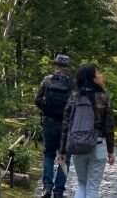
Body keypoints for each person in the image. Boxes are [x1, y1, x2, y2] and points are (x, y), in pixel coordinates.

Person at [58, 64, 116, 198]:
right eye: (99, 72)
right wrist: (111, 151)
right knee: (93, 187)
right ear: (93, 78)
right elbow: (109, 127)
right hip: (98, 144)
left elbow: (66, 125)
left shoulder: (74, 97)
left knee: (82, 183)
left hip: (77, 143)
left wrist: (62, 150)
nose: (101, 75)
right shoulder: (104, 97)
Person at [35, 54, 73, 198]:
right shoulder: (73, 82)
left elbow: (37, 100)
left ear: (55, 65)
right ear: (67, 67)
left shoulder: (47, 80)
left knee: (49, 154)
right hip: (66, 125)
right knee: (66, 157)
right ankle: (59, 191)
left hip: (49, 122)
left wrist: (46, 110)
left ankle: (47, 187)